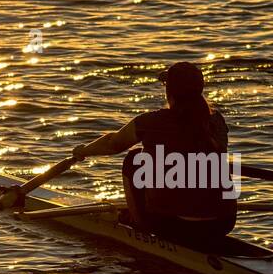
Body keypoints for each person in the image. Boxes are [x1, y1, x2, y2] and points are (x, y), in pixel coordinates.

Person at [72, 61, 237, 247]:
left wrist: (83, 151)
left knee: (134, 159)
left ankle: (138, 223)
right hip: (223, 222)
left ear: (170, 92)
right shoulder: (217, 121)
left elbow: (113, 144)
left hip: (171, 224)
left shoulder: (153, 121)